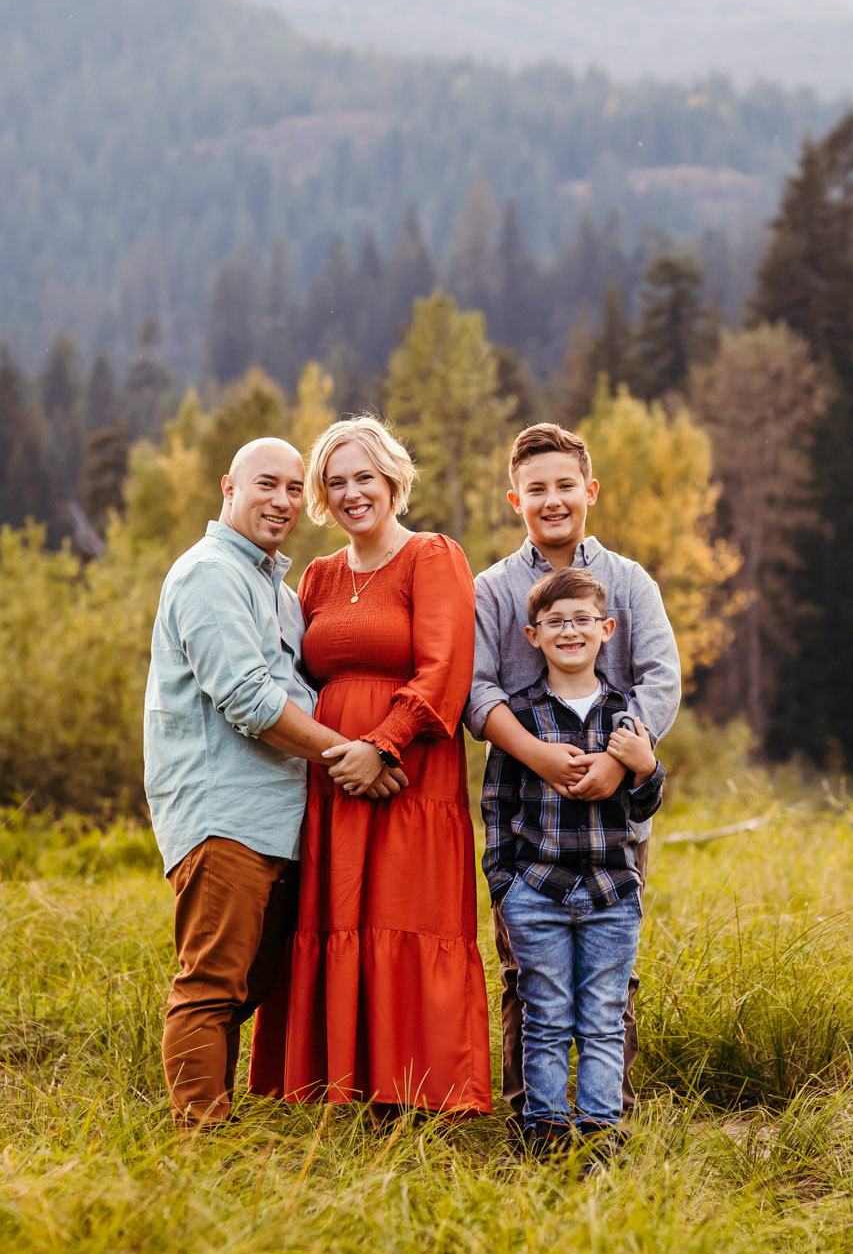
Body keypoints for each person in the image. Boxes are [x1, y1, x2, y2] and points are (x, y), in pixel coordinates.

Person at [145, 437, 405, 1130]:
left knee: (252, 983)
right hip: (223, 812)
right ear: (228, 487)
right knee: (211, 982)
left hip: (280, 817)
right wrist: (351, 752)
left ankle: (213, 1121)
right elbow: (250, 699)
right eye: (268, 484)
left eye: (295, 489)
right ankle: (200, 1137)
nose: (283, 501)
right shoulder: (207, 574)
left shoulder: (279, 593)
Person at [248, 415, 492, 1113]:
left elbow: (445, 668)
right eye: (336, 481)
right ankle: (339, 1086)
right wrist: (336, 755)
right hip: (333, 785)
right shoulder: (319, 577)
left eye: (364, 477)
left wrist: (380, 744)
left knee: (404, 918)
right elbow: (291, 676)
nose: (353, 492)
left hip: (409, 781)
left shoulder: (433, 556)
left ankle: (415, 1093)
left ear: (392, 480)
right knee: (335, 920)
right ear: (324, 496)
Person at [467, 422, 682, 1129]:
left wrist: (621, 758)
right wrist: (537, 754)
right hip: (532, 821)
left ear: (589, 490)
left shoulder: (628, 581)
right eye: (537, 489)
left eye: (565, 485)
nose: (552, 500)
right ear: (515, 499)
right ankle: (533, 1115)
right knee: (527, 978)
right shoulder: (495, 590)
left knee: (611, 981)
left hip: (617, 826)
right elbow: (477, 688)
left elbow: (661, 678)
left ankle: (603, 1119)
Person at [482, 567, 664, 1160]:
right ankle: (547, 1132)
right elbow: (497, 805)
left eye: (582, 620)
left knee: (604, 1019)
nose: (569, 632)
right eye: (555, 622)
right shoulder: (521, 717)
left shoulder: (625, 718)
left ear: (607, 629)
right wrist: (504, 885)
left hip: (612, 890)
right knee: (546, 1016)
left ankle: (600, 1133)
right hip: (537, 891)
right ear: (532, 636)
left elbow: (643, 805)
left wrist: (644, 766)